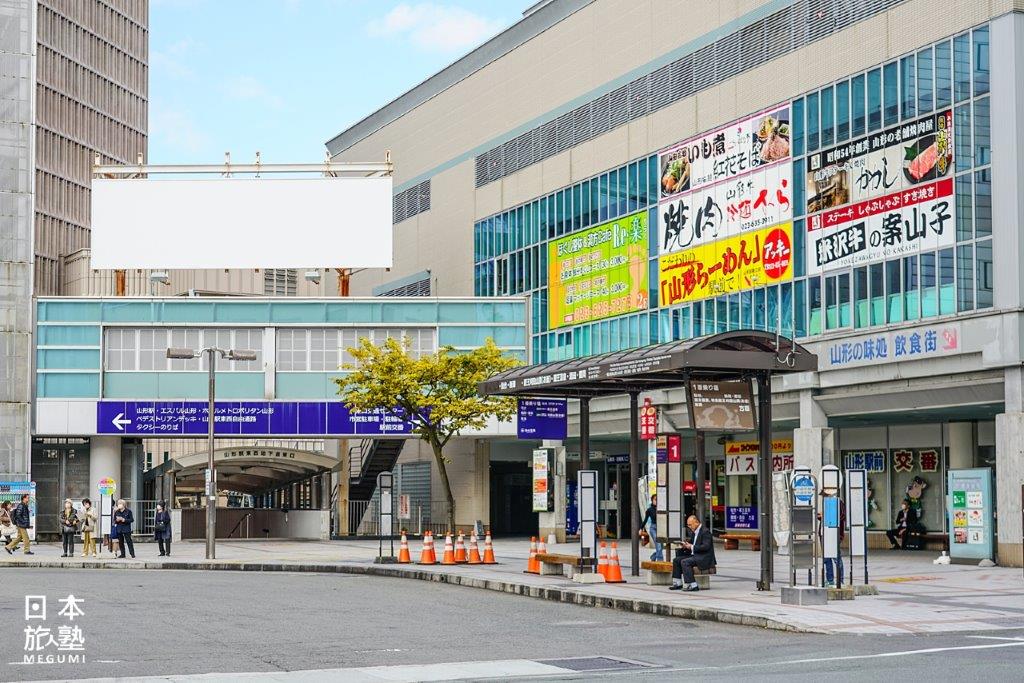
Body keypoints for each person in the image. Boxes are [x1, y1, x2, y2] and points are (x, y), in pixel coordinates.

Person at [670, 514, 716, 592]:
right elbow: (692, 543)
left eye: (690, 525)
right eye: (688, 525)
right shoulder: (694, 532)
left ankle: (692, 585)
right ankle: (677, 583)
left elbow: (706, 546)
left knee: (685, 562)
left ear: (696, 522)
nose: (689, 527)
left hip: (704, 557)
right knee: (676, 560)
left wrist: (691, 547)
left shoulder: (705, 531)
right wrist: (685, 545)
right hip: (696, 556)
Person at [818, 488, 846, 588]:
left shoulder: (838, 503)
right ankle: (829, 580)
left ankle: (840, 580)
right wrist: (821, 516)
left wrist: (827, 515)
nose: (823, 497)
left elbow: (842, 515)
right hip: (823, 534)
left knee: (836, 557)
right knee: (826, 559)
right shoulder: (826, 504)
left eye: (825, 495)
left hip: (834, 534)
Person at [640, 494, 664, 561]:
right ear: (652, 500)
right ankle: (660, 561)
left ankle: (653, 556)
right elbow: (645, 520)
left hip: (661, 528)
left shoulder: (662, 508)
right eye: (655, 499)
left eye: (658, 500)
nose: (656, 501)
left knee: (661, 546)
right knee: (658, 545)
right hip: (653, 528)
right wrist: (641, 528)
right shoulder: (649, 510)